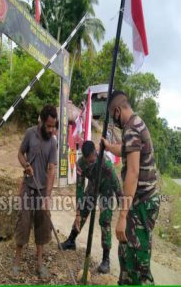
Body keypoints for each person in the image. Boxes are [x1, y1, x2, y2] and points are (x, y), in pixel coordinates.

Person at [102, 90, 160, 285]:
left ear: (118, 110)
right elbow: (126, 149)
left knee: (137, 264)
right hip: (138, 202)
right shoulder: (134, 124)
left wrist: (122, 216)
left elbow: (133, 173)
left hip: (141, 203)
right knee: (126, 255)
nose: (114, 120)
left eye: (113, 116)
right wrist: (109, 146)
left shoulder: (131, 128)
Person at [60, 140, 123, 274]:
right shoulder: (80, 164)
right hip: (93, 185)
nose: (89, 163)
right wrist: (77, 213)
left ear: (95, 153)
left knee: (105, 220)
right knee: (83, 211)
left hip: (106, 188)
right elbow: (79, 189)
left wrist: (124, 212)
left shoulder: (105, 163)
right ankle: (71, 241)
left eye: (91, 160)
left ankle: (106, 260)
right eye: (87, 161)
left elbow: (117, 186)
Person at [13, 105, 58, 278]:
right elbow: (20, 153)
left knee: (42, 225)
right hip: (28, 187)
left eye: (53, 126)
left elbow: (52, 170)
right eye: (48, 126)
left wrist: (47, 197)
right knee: (23, 223)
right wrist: (26, 166)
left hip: (42, 191)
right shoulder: (30, 133)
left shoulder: (53, 142)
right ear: (41, 121)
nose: (51, 129)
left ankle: (39, 262)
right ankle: (17, 259)